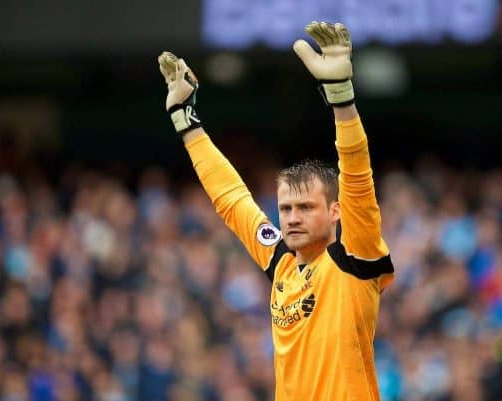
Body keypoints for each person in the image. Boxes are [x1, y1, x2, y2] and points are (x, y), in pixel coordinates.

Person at [158, 21, 394, 401]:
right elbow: (232, 198)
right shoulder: (281, 261)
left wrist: (341, 99)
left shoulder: (355, 259)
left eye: (305, 207)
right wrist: (185, 119)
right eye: (285, 208)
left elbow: (358, 178)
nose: (292, 217)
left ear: (335, 212)